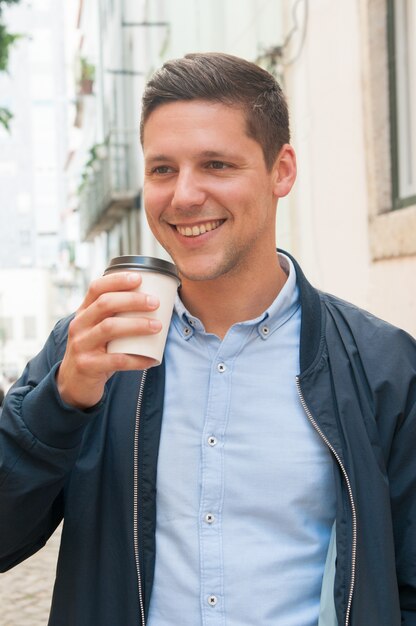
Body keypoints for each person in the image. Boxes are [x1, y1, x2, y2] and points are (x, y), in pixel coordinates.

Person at [0, 52, 415, 626]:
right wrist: (62, 404)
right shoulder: (88, 353)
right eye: (162, 169)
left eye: (216, 164)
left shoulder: (382, 365)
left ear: (282, 170)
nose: (184, 196)